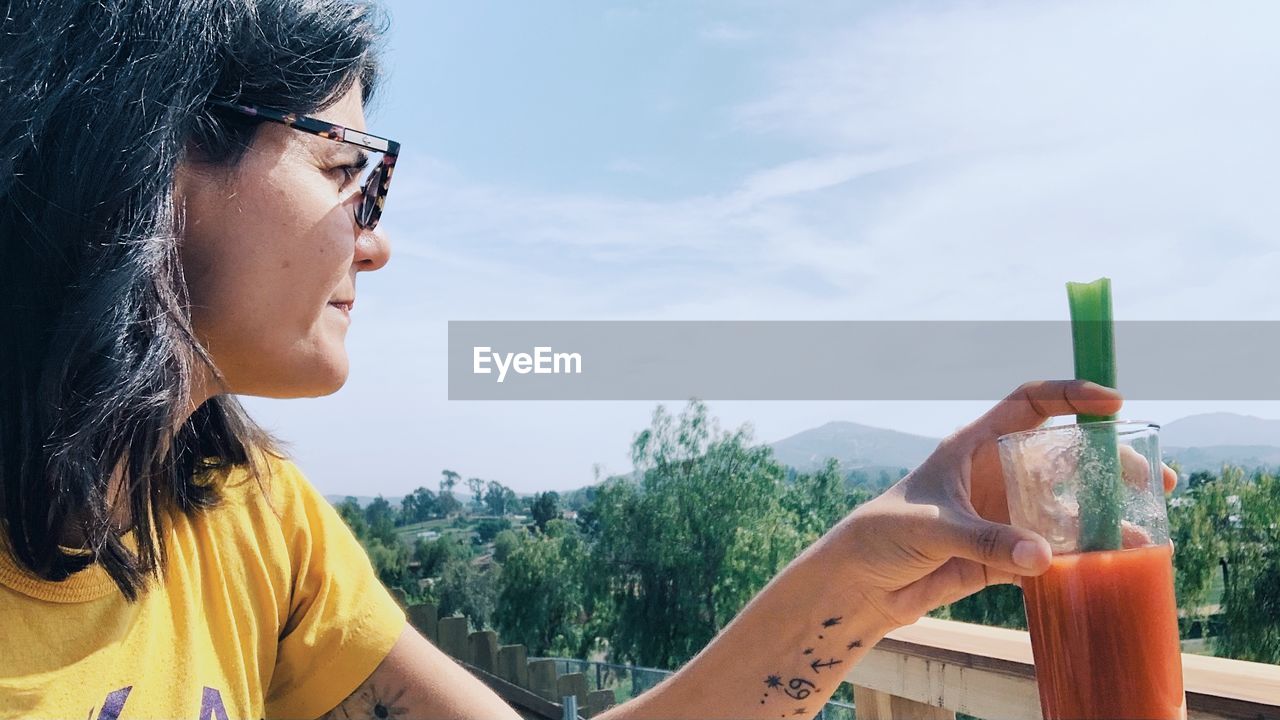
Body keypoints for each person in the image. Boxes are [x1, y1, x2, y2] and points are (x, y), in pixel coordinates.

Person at [0, 2, 1178, 719]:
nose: (378, 236)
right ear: (148, 149)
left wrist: (857, 572)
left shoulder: (247, 520)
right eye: (346, 166)